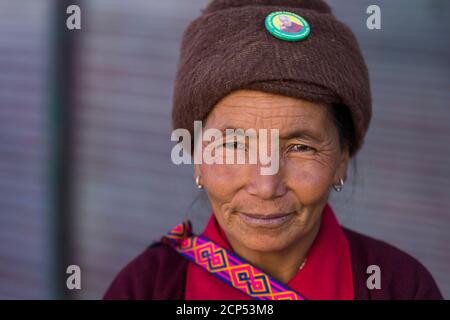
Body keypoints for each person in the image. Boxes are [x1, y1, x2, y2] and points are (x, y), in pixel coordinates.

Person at [103, 0, 442, 300]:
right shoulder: (146, 288)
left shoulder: (399, 286)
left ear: (342, 159)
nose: (266, 186)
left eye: (300, 147)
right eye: (234, 145)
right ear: (196, 158)